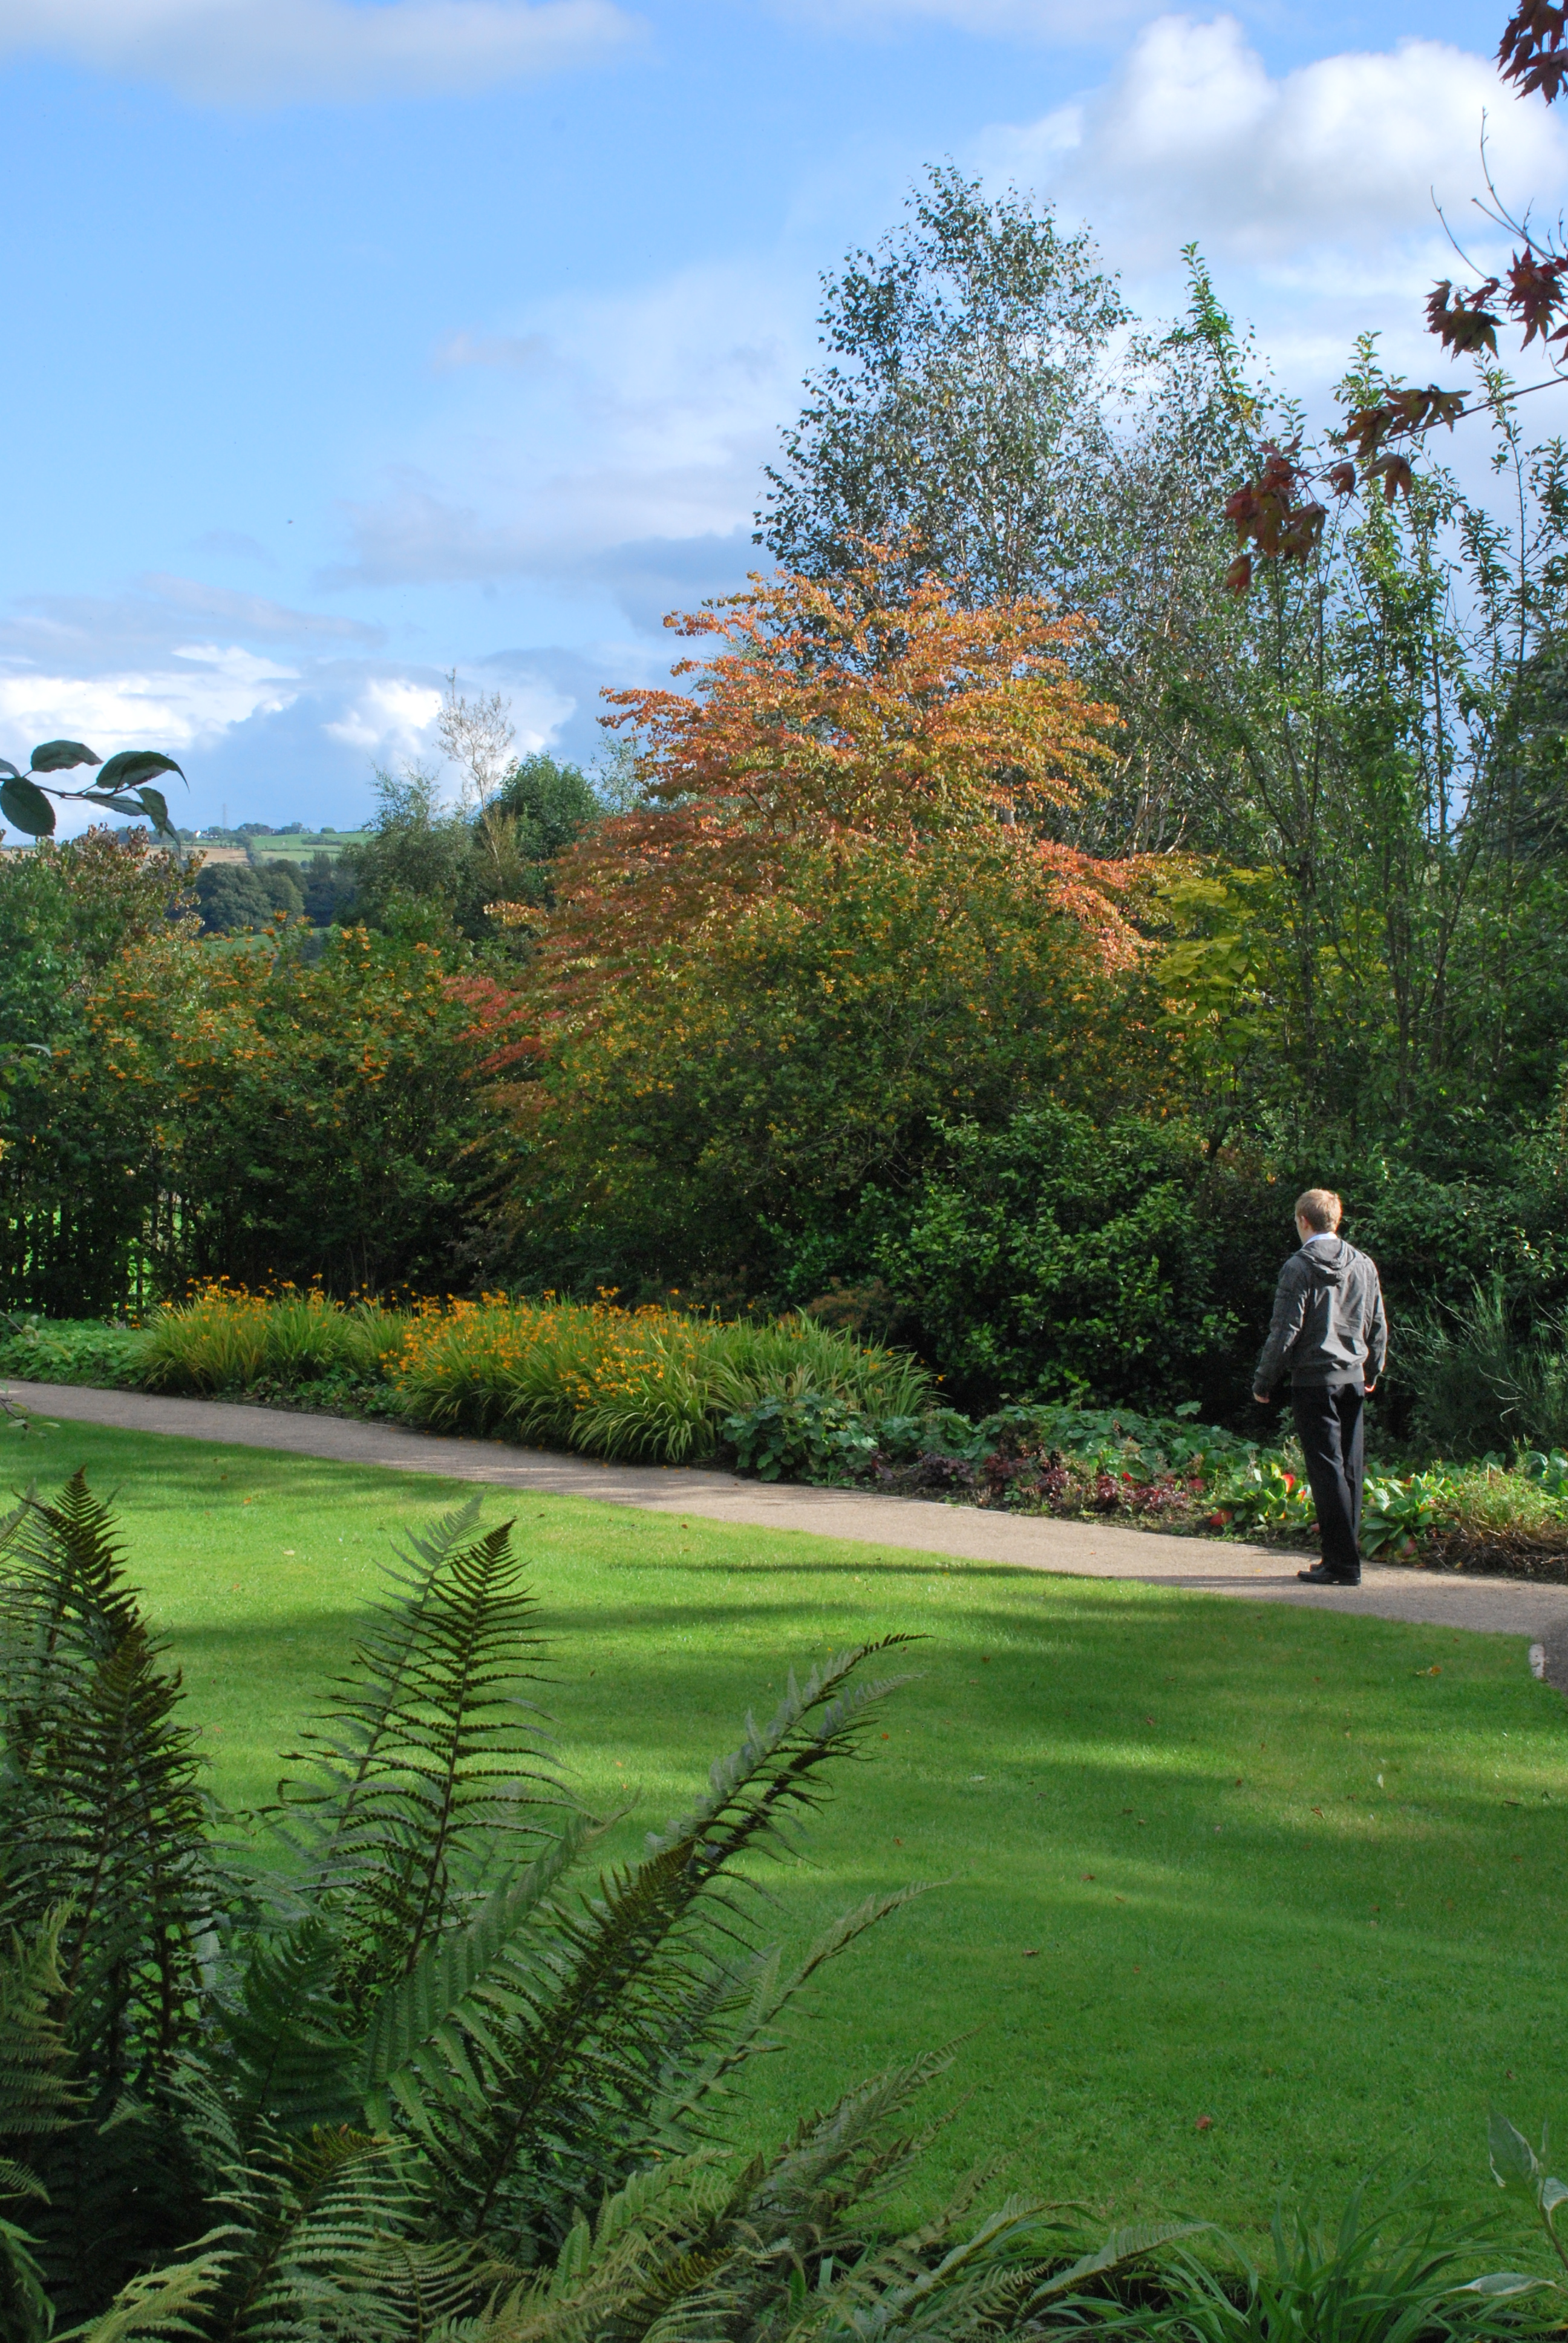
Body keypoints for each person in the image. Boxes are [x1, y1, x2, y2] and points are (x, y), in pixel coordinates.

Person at [1252, 1188, 1388, 1587]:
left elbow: (1285, 1331)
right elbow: (1377, 1323)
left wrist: (1265, 1380)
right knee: (1349, 1469)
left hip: (1314, 1379)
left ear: (1304, 1221)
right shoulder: (1362, 1263)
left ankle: (1342, 1565)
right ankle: (1342, 1559)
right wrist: (1373, 1370)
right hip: (1352, 1376)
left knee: (1326, 1471)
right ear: (1336, 1220)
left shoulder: (1299, 1268)